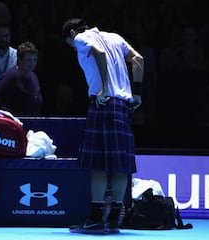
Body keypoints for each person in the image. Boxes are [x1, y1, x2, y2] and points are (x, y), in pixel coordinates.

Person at [61, 18, 144, 234]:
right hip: (123, 106)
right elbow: (138, 59)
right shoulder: (115, 37)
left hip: (103, 103)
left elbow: (99, 53)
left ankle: (96, 218)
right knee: (120, 165)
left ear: (71, 33)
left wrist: (105, 88)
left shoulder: (80, 38)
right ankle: (114, 218)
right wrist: (137, 94)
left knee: (97, 165)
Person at [0, 41, 42, 116]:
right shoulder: (10, 77)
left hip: (33, 123)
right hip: (14, 124)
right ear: (19, 59)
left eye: (35, 60)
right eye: (29, 60)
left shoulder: (34, 76)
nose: (32, 63)